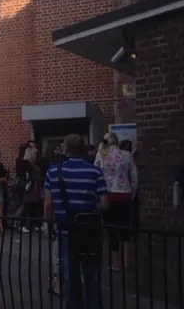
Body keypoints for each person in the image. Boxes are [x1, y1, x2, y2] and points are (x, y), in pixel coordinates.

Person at [44, 134, 108, 309]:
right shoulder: (95, 171)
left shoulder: (53, 172)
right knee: (92, 275)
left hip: (65, 230)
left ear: (65, 149)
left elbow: (48, 204)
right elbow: (104, 203)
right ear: (83, 149)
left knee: (70, 276)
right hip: (89, 231)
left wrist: (48, 225)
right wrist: (89, 202)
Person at [95, 132, 137, 272]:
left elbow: (95, 173)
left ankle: (116, 263)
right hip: (124, 195)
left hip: (108, 195)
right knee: (125, 230)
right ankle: (127, 261)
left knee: (111, 230)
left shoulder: (101, 154)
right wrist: (132, 194)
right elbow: (134, 178)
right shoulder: (127, 155)